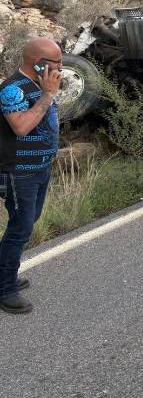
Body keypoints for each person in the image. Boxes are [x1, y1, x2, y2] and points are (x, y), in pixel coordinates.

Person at [0, 37, 62, 314]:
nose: (61, 67)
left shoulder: (39, 84)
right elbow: (22, 128)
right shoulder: (12, 90)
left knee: (26, 224)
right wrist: (48, 96)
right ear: (39, 64)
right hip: (19, 174)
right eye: (56, 62)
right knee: (20, 229)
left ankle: (5, 274)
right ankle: (5, 288)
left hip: (40, 169)